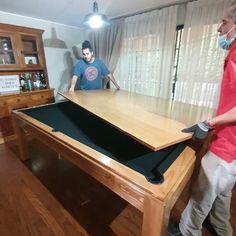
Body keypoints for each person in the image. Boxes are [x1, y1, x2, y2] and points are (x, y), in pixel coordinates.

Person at [168, 3, 236, 236]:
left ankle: (188, 231)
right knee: (223, 192)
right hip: (231, 146)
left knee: (201, 194)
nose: (219, 28)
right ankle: (220, 227)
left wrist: (210, 123)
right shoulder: (233, 52)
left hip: (228, 145)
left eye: (224, 22)